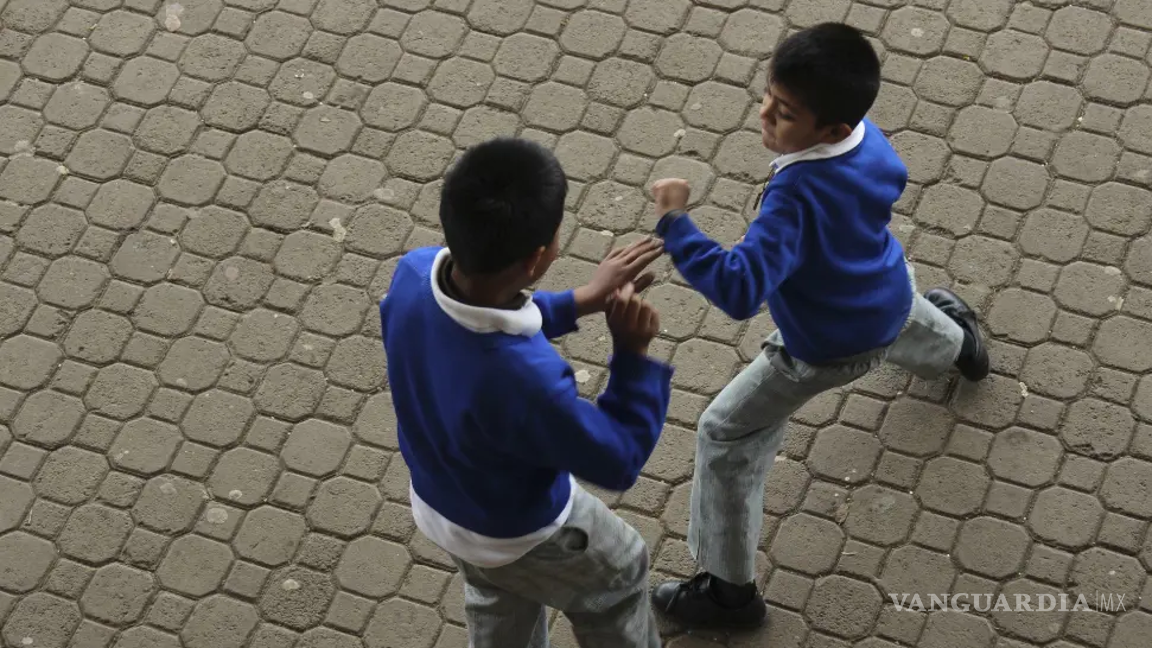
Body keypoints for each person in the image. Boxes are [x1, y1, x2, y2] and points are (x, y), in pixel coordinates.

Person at [646, 23, 990, 629]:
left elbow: (739, 287)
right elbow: (893, 183)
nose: (764, 116)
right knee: (902, 314)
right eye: (768, 99)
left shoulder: (794, 199)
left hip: (826, 343)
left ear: (829, 128)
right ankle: (963, 347)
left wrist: (676, 224)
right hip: (882, 286)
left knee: (723, 433)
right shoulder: (869, 140)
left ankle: (728, 593)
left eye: (783, 113)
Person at [381, 137, 673, 648]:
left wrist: (583, 300)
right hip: (520, 528)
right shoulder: (527, 379)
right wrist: (631, 355)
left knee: (499, 592)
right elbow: (617, 460)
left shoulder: (410, 275)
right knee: (621, 570)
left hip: (445, 501)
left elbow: (490, 322)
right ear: (539, 256)